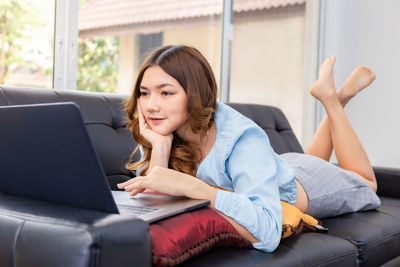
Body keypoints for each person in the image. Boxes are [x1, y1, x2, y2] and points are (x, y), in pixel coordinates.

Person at [118, 45, 381, 252]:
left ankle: (335, 100)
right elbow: (153, 207)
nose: (151, 105)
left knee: (367, 184)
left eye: (166, 93)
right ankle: (334, 97)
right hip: (277, 168)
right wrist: (161, 149)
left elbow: (267, 233)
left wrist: (199, 189)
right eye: (144, 93)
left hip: (308, 186)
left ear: (196, 92)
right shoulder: (162, 131)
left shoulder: (241, 137)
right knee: (310, 158)